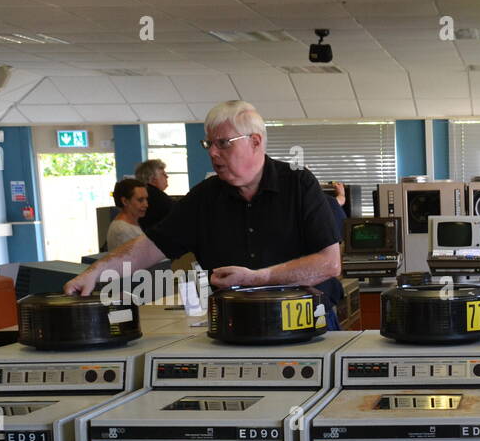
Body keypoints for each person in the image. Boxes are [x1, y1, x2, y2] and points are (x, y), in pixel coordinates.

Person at [64, 101, 341, 312]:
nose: (212, 152)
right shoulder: (204, 198)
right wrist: (96, 271)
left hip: (305, 320)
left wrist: (257, 278)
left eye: (223, 143)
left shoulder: (298, 183)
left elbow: (329, 264)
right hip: (235, 323)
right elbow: (149, 247)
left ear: (255, 141)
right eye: (209, 143)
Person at [105, 178, 148, 249]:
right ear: (125, 201)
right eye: (140, 200)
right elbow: (127, 260)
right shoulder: (122, 230)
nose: (146, 204)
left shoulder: (130, 225)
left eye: (146, 199)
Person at [135, 158, 174, 230]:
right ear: (152, 178)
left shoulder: (144, 195)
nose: (167, 176)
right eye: (163, 174)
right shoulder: (157, 197)